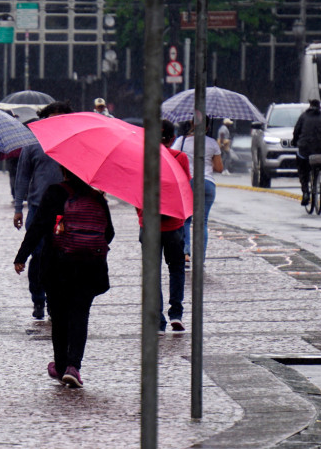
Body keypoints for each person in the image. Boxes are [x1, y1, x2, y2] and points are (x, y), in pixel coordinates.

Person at [14, 166, 114, 388]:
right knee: (80, 314)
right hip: (89, 267)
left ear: (62, 170)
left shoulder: (54, 192)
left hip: (57, 265)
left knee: (58, 316)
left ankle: (60, 366)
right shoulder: (97, 197)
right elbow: (109, 234)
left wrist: (21, 256)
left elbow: (38, 227)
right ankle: (73, 366)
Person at [13, 100, 74, 320]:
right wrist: (18, 208)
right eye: (51, 117)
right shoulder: (32, 142)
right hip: (38, 209)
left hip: (66, 210)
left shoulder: (73, 141)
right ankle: (38, 298)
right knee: (37, 254)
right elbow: (23, 176)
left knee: (61, 255)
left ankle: (54, 299)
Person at [137, 120, 191, 333]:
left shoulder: (143, 158)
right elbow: (185, 187)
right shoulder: (180, 157)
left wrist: (140, 214)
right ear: (172, 138)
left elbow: (135, 190)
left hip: (149, 224)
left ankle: (157, 320)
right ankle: (176, 313)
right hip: (174, 224)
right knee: (176, 269)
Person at [178, 120, 223, 265]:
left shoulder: (181, 141)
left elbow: (172, 158)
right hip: (208, 184)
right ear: (207, 127)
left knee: (185, 219)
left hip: (189, 182)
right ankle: (200, 258)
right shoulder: (212, 143)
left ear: (191, 124)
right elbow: (219, 168)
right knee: (202, 222)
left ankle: (185, 253)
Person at [291, 99, 321, 207]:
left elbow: (296, 131)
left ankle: (305, 192)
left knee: (303, 170)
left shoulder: (303, 116)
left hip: (305, 149)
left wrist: (295, 142)